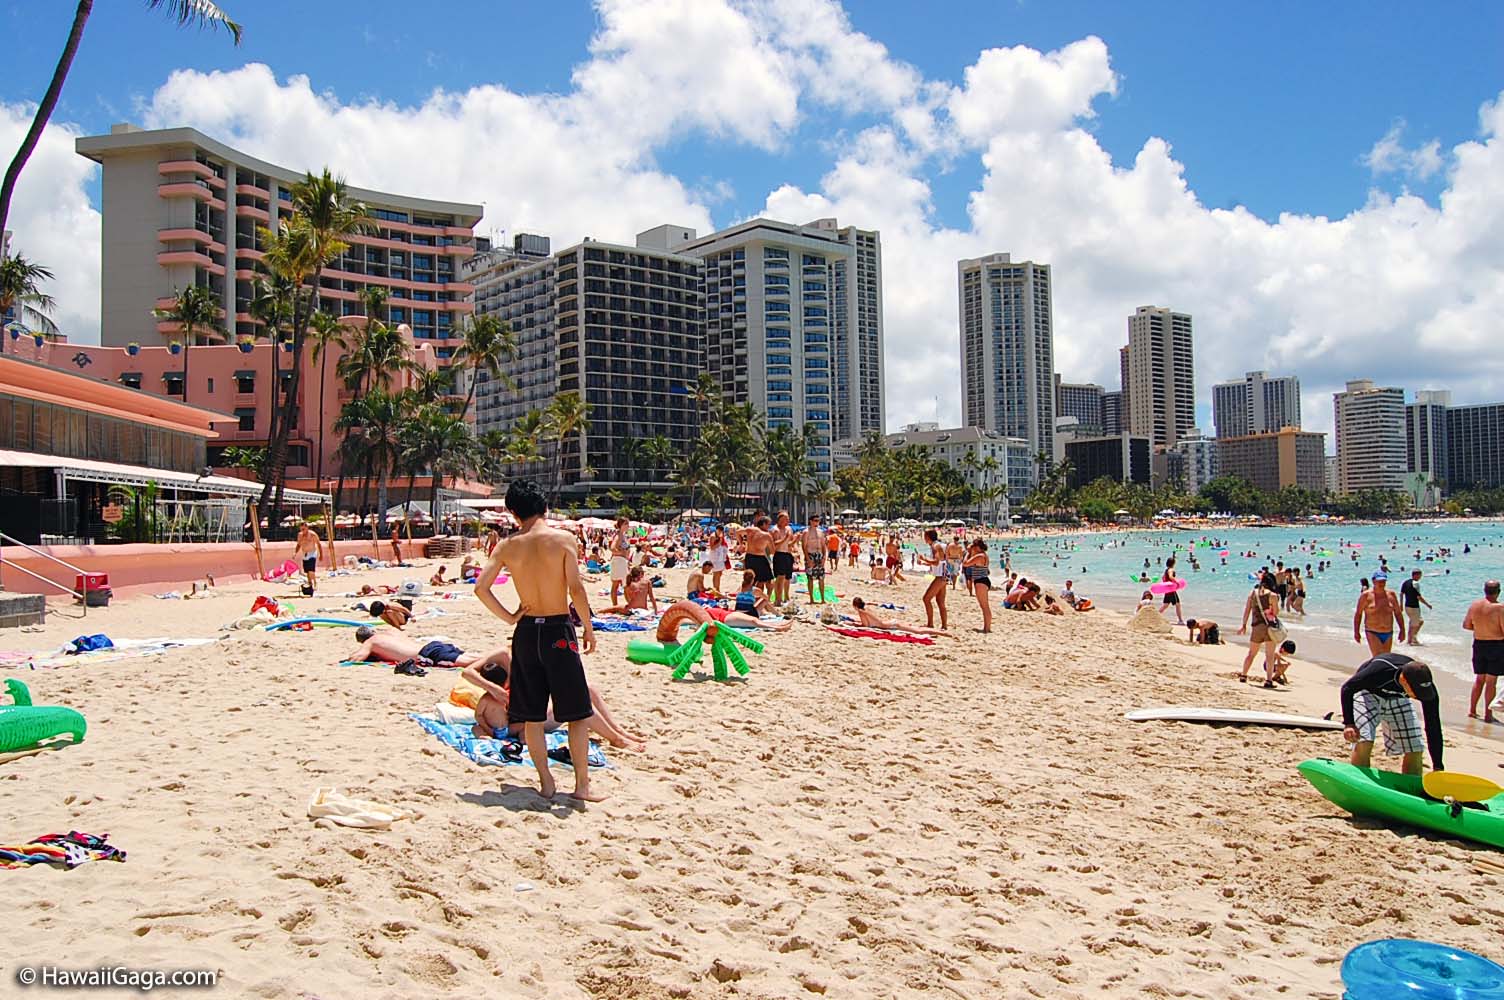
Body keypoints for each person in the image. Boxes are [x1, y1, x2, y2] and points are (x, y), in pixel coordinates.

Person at [474, 480, 604, 803]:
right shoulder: (563, 540)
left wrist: (510, 617)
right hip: (558, 629)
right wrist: (588, 626)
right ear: (544, 506)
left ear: (514, 513)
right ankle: (581, 786)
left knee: (531, 715)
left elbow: (481, 588)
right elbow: (576, 589)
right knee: (576, 713)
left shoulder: (507, 546)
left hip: (527, 632)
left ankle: (546, 784)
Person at [461, 649, 645, 752]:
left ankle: (618, 731)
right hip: (520, 720)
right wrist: (492, 688)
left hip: (536, 709)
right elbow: (467, 672)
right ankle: (616, 740)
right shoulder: (503, 657)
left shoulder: (538, 660)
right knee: (577, 702)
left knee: (588, 689)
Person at [1340, 652, 1444, 775]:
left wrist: (1438, 766)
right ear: (1403, 680)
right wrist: (1349, 723)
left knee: (1415, 747)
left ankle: (1410, 786)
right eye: (1416, 691)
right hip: (1368, 693)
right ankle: (1359, 779)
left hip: (1398, 699)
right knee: (1364, 740)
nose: (1418, 696)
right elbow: (1347, 688)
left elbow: (1433, 726)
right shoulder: (1379, 670)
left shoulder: (1426, 688)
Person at [656, 599, 791, 641]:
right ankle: (777, 627)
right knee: (753, 621)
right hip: (725, 618)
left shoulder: (701, 613)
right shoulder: (701, 615)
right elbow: (685, 621)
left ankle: (776, 625)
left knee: (752, 621)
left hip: (725, 616)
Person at [1464, 580, 1504, 722]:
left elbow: (1466, 625)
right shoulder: (1500, 608)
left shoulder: (1475, 605)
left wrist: (1482, 628)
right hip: (1496, 645)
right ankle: (1488, 714)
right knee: (1491, 681)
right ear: (1498, 591)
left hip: (1479, 644)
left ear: (1484, 590)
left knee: (1479, 679)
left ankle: (1472, 710)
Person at [346, 625, 477, 668]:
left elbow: (356, 659)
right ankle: (497, 657)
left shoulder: (372, 642)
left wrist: (364, 649)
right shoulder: (391, 631)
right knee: (473, 657)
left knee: (469, 663)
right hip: (433, 645)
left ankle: (497, 660)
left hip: (425, 655)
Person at [1238, 573, 1281, 686]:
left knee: (1251, 653)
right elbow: (1276, 613)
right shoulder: (1273, 596)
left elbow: (1247, 610)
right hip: (1269, 628)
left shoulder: (1253, 593)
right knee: (1270, 655)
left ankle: (1243, 675)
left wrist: (1243, 625)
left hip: (1256, 626)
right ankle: (1268, 680)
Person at [1354, 572, 1405, 655]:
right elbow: (1358, 614)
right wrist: (1356, 632)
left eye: (1383, 581)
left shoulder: (1391, 595)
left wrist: (1402, 630)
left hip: (1388, 632)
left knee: (1386, 658)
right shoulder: (1366, 596)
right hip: (1373, 631)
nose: (1382, 583)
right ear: (1373, 581)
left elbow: (1398, 613)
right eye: (1379, 581)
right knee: (1378, 657)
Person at [850, 596, 950, 636]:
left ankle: (942, 633)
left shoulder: (861, 612)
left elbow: (866, 625)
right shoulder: (866, 608)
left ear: (855, 606)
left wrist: (855, 625)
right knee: (916, 628)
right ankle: (940, 631)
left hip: (892, 625)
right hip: (891, 622)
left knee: (919, 631)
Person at [917, 528, 949, 629]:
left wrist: (924, 559)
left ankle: (930, 624)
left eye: (925, 536)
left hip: (940, 577)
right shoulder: (938, 545)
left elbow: (936, 562)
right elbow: (940, 562)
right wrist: (924, 563)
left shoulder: (935, 546)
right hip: (944, 575)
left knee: (926, 599)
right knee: (940, 602)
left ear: (928, 537)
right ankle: (944, 625)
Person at [962, 539, 993, 633]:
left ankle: (987, 628)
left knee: (984, 606)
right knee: (984, 606)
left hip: (981, 581)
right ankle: (987, 627)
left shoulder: (980, 556)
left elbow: (965, 563)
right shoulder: (984, 555)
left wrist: (968, 553)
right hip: (983, 580)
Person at [799, 514, 829, 605]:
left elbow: (824, 546)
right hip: (810, 554)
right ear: (810, 521)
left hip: (819, 555)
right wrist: (808, 559)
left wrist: (824, 557)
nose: (817, 522)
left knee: (821, 578)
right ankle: (811, 598)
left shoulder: (821, 532)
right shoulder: (806, 532)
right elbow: (804, 546)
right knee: (810, 578)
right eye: (815, 520)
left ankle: (822, 598)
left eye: (818, 521)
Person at [742, 516, 775, 591]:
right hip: (760, 558)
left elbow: (737, 532)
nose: (769, 527)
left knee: (750, 579)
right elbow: (773, 551)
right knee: (763, 580)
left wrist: (741, 543)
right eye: (768, 525)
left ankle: (750, 596)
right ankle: (761, 597)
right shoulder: (766, 535)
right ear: (763, 524)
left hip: (749, 556)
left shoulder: (750, 530)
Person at [1400, 569, 1432, 646]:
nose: (1420, 577)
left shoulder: (1405, 582)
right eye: (1420, 575)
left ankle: (1409, 640)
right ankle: (1413, 638)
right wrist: (1427, 604)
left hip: (1407, 606)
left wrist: (1400, 605)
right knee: (1419, 622)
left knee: (1412, 623)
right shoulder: (1416, 584)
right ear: (1416, 575)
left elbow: (1401, 594)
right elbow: (1418, 597)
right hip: (1414, 607)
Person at [769, 511, 795, 605]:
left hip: (788, 554)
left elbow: (790, 544)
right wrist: (784, 538)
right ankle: (778, 599)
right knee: (780, 577)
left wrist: (796, 539)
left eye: (788, 519)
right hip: (779, 554)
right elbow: (773, 545)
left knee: (788, 578)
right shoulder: (775, 530)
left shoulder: (789, 529)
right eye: (785, 519)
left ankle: (786, 597)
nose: (787, 521)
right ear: (780, 520)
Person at [608, 516, 633, 607]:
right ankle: (619, 604)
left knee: (623, 584)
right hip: (619, 561)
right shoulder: (618, 535)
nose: (627, 526)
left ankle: (627, 604)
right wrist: (621, 553)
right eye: (626, 524)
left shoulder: (622, 535)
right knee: (620, 584)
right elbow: (612, 548)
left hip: (622, 561)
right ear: (621, 525)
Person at [294, 521, 321, 594]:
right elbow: (298, 545)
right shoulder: (300, 535)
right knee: (307, 571)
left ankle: (315, 583)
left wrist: (321, 554)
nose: (303, 531)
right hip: (305, 553)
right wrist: (295, 553)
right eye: (301, 529)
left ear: (307, 528)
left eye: (304, 529)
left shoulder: (312, 535)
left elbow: (319, 544)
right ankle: (310, 584)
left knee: (311, 570)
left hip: (312, 553)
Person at [1159, 556, 1184, 624]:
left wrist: (1166, 585)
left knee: (1166, 605)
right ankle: (1180, 620)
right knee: (1177, 604)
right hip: (1171, 590)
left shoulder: (1166, 570)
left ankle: (1156, 615)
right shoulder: (1171, 570)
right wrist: (1177, 582)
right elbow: (1171, 576)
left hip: (1167, 589)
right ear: (1173, 563)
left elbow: (1163, 578)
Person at [705, 528, 730, 594]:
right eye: (719, 531)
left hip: (720, 557)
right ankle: (716, 589)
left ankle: (717, 588)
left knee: (719, 573)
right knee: (716, 573)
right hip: (714, 557)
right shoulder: (713, 536)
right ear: (716, 530)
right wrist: (719, 542)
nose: (720, 532)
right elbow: (712, 548)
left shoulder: (721, 535)